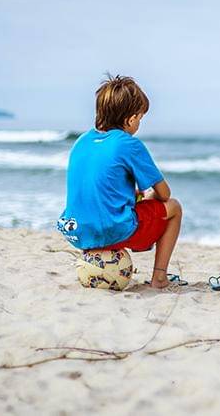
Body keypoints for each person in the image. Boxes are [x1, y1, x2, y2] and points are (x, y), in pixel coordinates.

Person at [57, 74, 182, 289]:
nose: (139, 124)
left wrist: (134, 195)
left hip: (76, 231)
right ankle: (159, 277)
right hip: (111, 231)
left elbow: (100, 188)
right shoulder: (129, 144)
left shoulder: (82, 141)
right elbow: (165, 194)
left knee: (133, 201)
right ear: (131, 119)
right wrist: (150, 195)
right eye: (140, 118)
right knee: (174, 208)